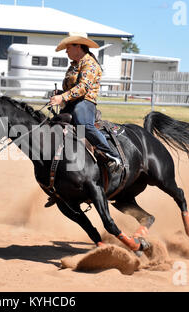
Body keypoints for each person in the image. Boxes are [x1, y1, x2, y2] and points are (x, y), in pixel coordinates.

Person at [44, 32, 122, 208]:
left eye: (68, 48)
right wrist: (59, 95)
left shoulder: (90, 64)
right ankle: (60, 178)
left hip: (85, 102)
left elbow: (83, 88)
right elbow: (71, 88)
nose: (66, 52)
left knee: (82, 123)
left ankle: (111, 155)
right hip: (73, 102)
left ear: (78, 46)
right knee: (54, 126)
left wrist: (62, 97)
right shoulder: (74, 65)